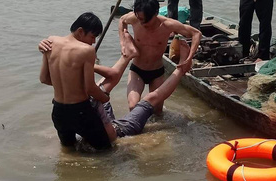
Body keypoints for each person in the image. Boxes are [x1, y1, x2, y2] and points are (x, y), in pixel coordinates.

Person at [38, 12, 192, 150]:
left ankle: (128, 55)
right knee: (107, 151)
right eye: (92, 37)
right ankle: (180, 69)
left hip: (59, 112)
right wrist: (104, 98)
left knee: (69, 151)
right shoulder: (86, 51)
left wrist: (72, 85)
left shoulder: (51, 42)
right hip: (83, 112)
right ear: (80, 31)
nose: (92, 42)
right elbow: (90, 88)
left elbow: (44, 78)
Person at [119, 0, 201, 113]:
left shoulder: (167, 25)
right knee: (133, 106)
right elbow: (122, 20)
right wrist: (124, 42)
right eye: (140, 19)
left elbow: (196, 34)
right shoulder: (135, 19)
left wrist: (189, 58)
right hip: (137, 69)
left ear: (156, 13)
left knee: (158, 112)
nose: (142, 24)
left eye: (146, 21)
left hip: (157, 72)